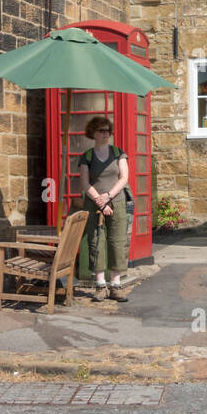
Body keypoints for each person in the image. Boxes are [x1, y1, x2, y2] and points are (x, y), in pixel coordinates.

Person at [78, 115, 130, 301]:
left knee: (117, 241)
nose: (106, 134)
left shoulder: (118, 153)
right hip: (94, 204)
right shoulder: (87, 156)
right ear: (93, 133)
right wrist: (100, 201)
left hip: (116, 201)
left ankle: (116, 284)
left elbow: (124, 178)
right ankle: (100, 285)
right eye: (102, 130)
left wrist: (108, 197)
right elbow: (85, 182)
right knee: (95, 241)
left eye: (108, 130)